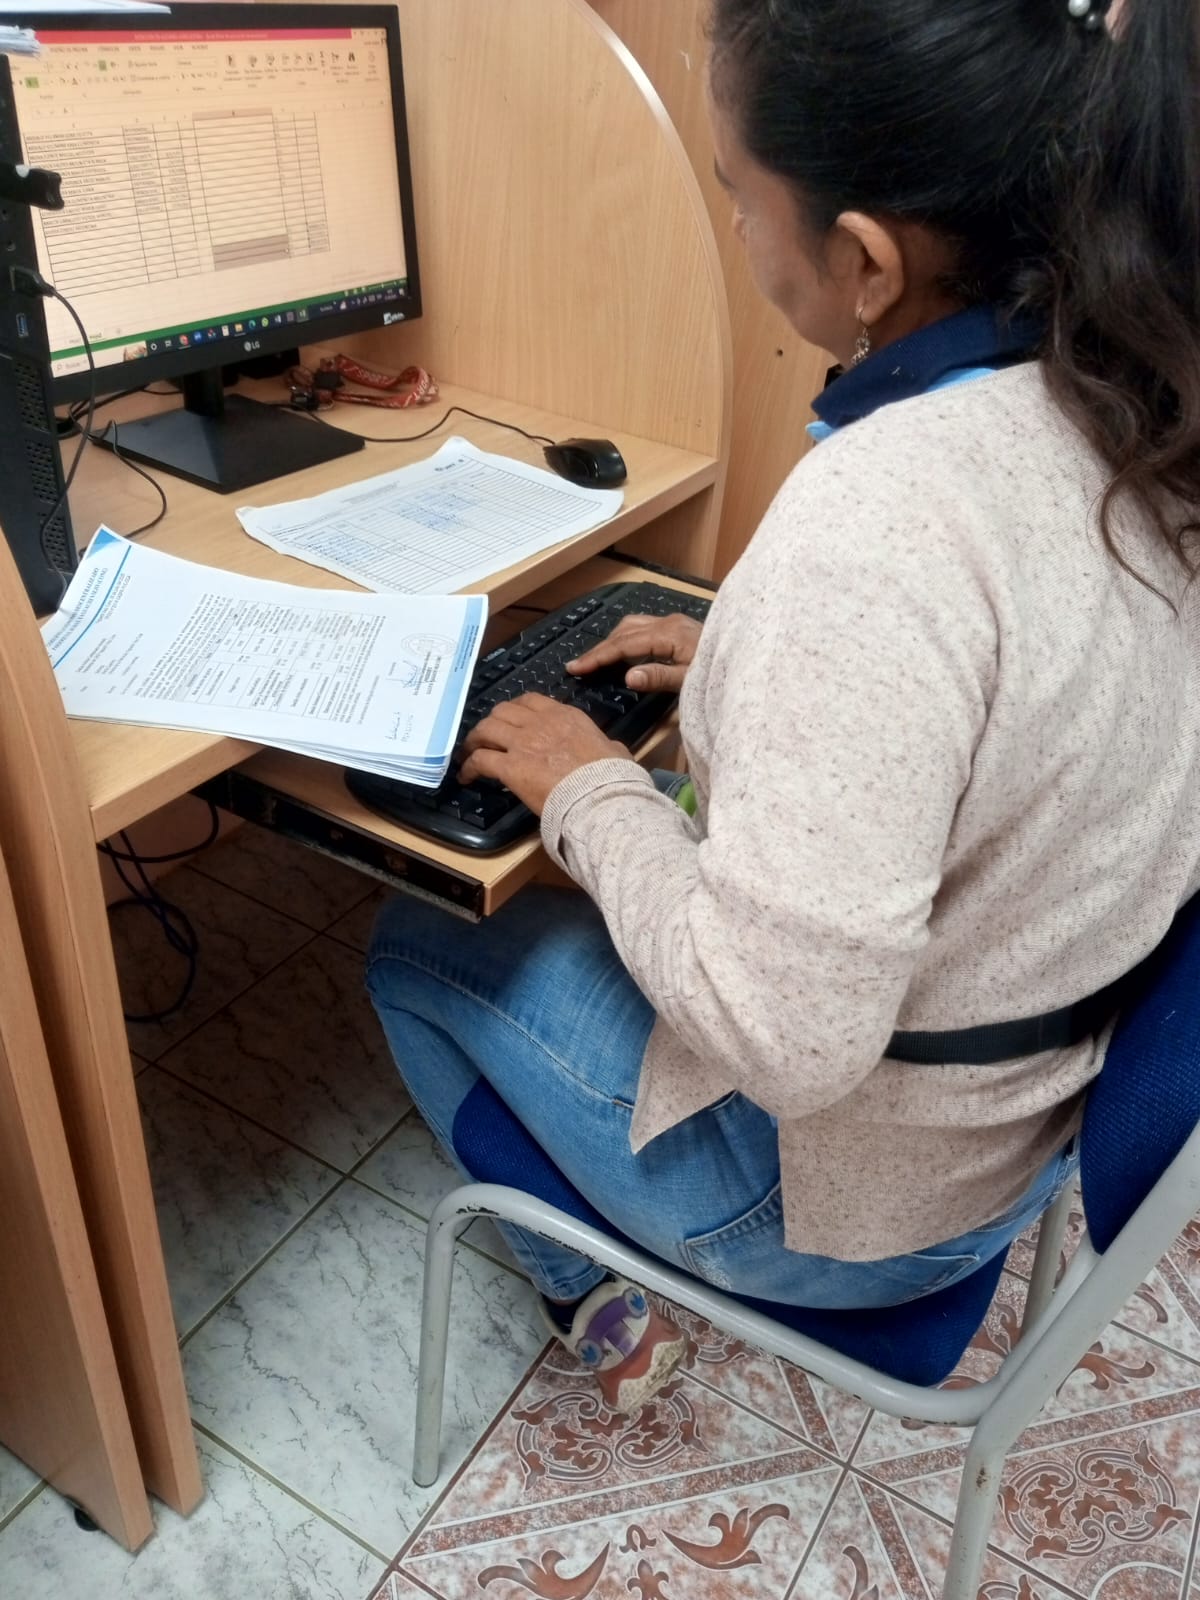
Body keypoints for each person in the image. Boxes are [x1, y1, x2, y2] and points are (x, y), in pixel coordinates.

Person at [367, 0, 1200, 1414]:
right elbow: (1030, 694)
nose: (739, 232)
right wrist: (752, 665)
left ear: (864, 259)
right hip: (1005, 1130)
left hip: (845, 1207)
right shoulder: (1133, 393)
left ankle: (593, 1296)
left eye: (739, 198)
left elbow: (786, 1040)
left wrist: (589, 787)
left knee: (414, 939)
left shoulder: (885, 521)